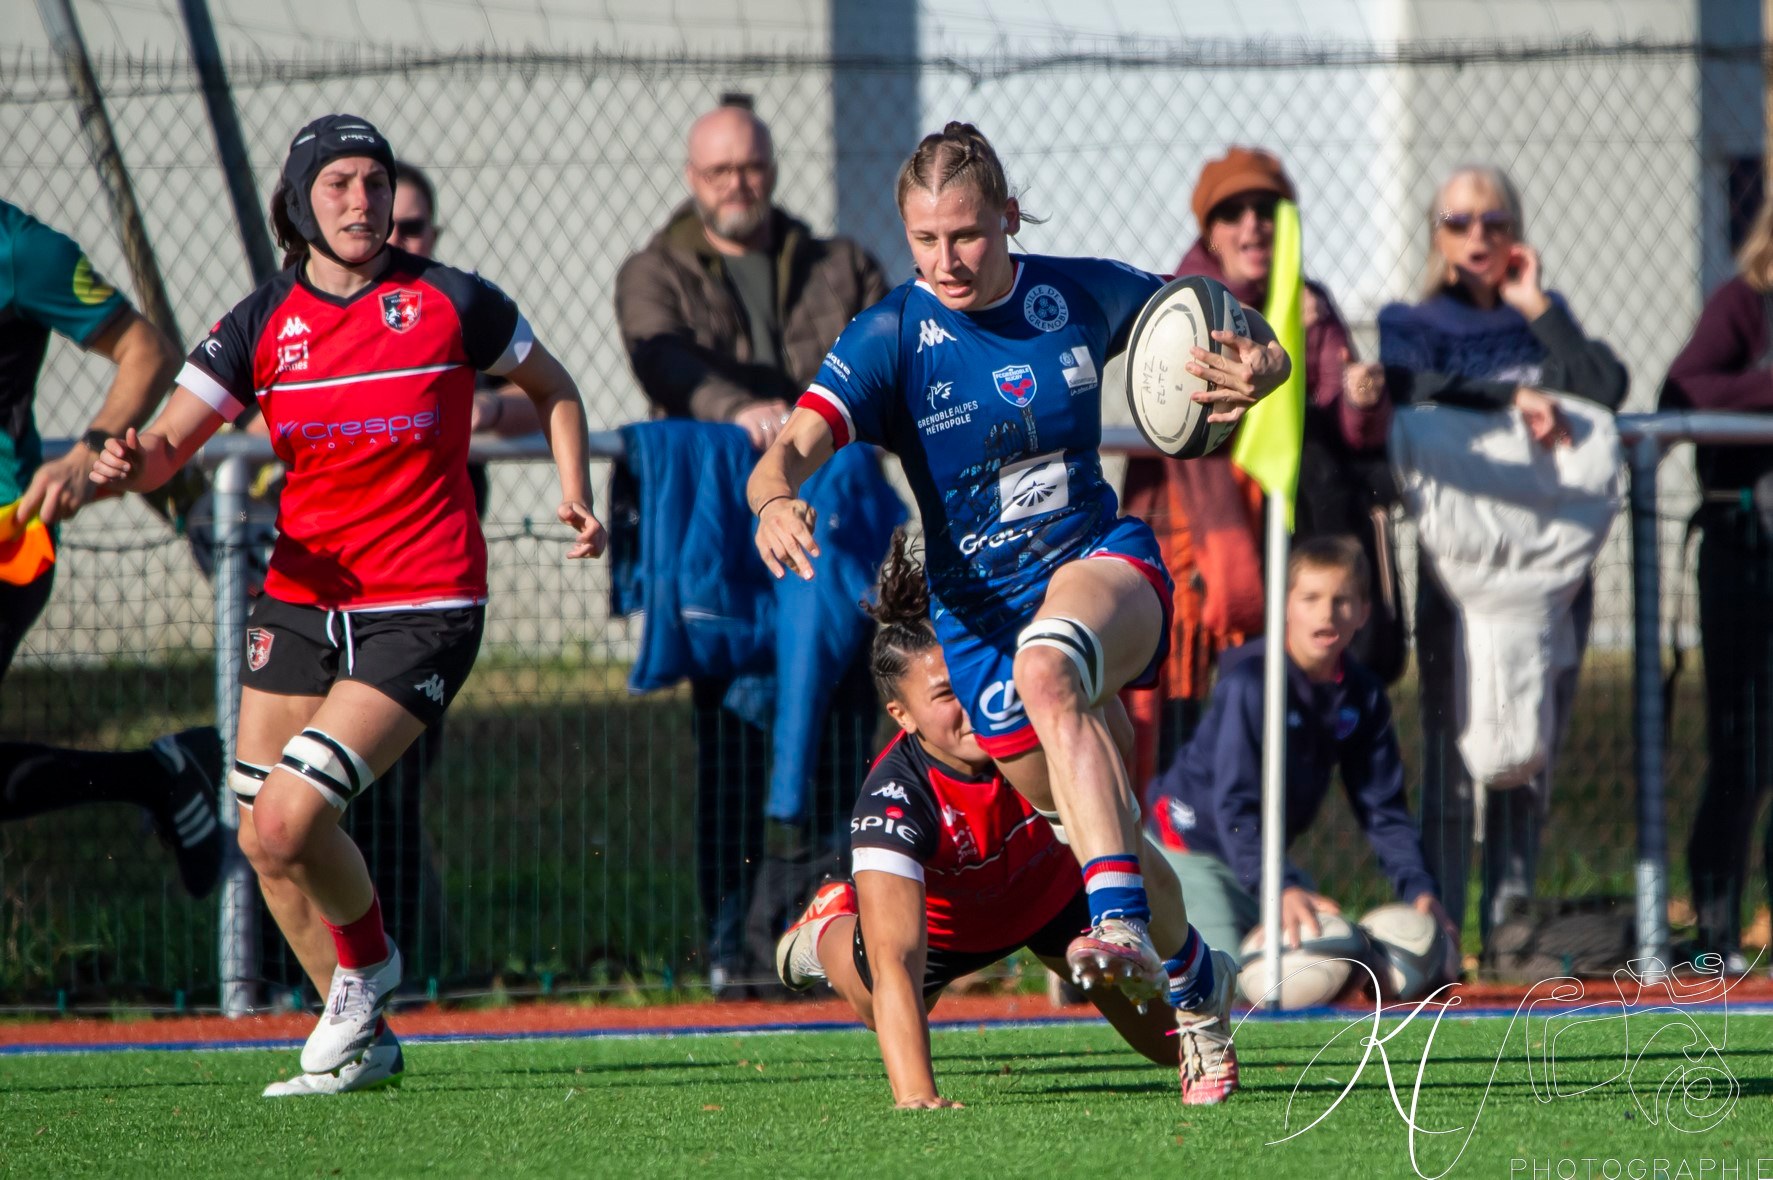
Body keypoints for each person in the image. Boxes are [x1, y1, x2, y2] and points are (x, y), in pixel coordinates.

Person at [749, 121, 1290, 1104]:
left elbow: (1248, 332)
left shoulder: (1072, 293)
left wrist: (1264, 366)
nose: (946, 259)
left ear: (1006, 216)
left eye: (965, 234)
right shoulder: (890, 340)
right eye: (925, 240)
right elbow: (785, 448)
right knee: (1104, 827)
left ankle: (1115, 921)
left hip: (1098, 565)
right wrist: (775, 497)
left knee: (1054, 671)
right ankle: (1198, 980)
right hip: (976, 619)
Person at [90, 114, 605, 1096]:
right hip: (299, 600)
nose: (362, 200)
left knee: (289, 818)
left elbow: (555, 386)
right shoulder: (257, 325)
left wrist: (574, 486)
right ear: (299, 204)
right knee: (259, 832)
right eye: (339, 185)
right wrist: (120, 461)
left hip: (427, 600)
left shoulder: (449, 300)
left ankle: (369, 970)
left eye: (375, 181)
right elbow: (165, 448)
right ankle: (363, 1043)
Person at [614, 101, 889, 994]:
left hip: (835, 521)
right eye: (721, 171)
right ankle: (732, 944)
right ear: (693, 180)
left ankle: (843, 937)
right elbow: (662, 362)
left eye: (753, 167)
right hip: (723, 537)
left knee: (847, 732)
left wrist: (811, 429)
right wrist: (736, 413)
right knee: (730, 733)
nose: (741, 185)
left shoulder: (838, 263)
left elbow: (886, 353)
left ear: (772, 167)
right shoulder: (654, 270)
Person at [774, 532, 1180, 1107]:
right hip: (945, 936)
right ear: (902, 715)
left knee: (1171, 1048)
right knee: (879, 1001)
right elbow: (896, 964)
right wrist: (919, 1099)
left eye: (970, 679)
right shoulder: (894, 797)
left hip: (1053, 897)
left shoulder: (1036, 721)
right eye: (945, 695)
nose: (970, 703)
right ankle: (829, 925)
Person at [1357, 165, 1627, 953]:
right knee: (1451, 751)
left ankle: (1507, 927)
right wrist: (1513, 401)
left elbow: (1603, 387)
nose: (1478, 236)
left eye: (1495, 222)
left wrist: (1538, 307)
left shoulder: (1534, 319)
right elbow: (1408, 386)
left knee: (1528, 752)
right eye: (1459, 221)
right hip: (1462, 577)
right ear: (1436, 233)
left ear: (1515, 234)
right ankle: (1441, 928)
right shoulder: (1409, 318)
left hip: (1550, 578)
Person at [1122, 146, 1393, 795]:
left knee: (1257, 754)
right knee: (1175, 735)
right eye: (1232, 213)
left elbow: (1341, 428)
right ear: (1208, 231)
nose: (1251, 227)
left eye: (1265, 211)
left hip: (1285, 551)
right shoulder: (1178, 301)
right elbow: (1187, 420)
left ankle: (1256, 880)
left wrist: (1361, 397)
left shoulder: (1309, 303)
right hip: (1195, 559)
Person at [0, 197, 223, 898]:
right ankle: (158, 776)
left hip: (8, 543)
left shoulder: (21, 249)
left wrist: (85, 454)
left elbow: (146, 351)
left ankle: (159, 777)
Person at [1145, 536, 1456, 966]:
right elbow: (1235, 805)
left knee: (1340, 961)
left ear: (1364, 612)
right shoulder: (1251, 684)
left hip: (1254, 863)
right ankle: (1123, 940)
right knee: (1224, 976)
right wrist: (1280, 887)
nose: (1327, 613)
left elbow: (1383, 811)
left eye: (1342, 599)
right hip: (1186, 849)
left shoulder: (1362, 696)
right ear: (1285, 606)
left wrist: (1420, 893)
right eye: (1310, 598)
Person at [1662, 193, 1773, 975]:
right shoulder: (1742, 306)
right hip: (1744, 555)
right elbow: (1685, 394)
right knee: (1742, 745)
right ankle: (1716, 925)